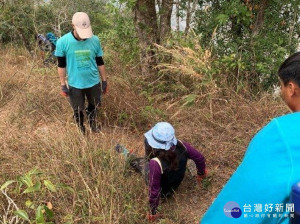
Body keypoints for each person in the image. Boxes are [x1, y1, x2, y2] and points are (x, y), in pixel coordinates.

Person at [201, 52, 300, 224]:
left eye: (281, 86)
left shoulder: (281, 133)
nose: (281, 92)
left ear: (291, 89)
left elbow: (244, 199)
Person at [127, 122, 207, 221]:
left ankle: (130, 158)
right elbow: (200, 158)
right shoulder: (182, 145)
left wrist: (153, 212)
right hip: (176, 183)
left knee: (138, 163)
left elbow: (154, 190)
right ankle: (135, 158)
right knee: (145, 163)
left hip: (164, 192)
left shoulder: (155, 163)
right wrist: (201, 174)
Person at [54, 12, 108, 133]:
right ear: (73, 25)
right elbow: (61, 65)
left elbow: (100, 61)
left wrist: (104, 81)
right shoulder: (63, 42)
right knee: (77, 109)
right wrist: (63, 84)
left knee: (94, 105)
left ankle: (92, 123)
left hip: (93, 81)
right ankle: (81, 129)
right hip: (75, 83)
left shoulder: (95, 40)